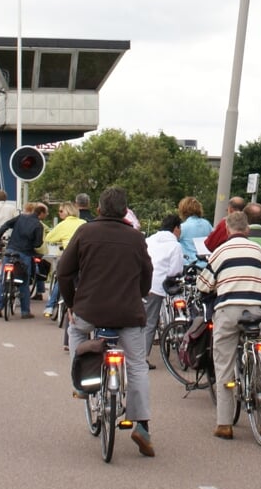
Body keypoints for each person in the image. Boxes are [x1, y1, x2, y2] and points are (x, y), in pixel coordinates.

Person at [57, 188, 157, 456]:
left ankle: (79, 383)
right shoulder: (136, 238)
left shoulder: (85, 233)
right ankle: (143, 424)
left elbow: (64, 272)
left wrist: (71, 304)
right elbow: (147, 275)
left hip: (89, 310)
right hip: (127, 313)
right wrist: (137, 295)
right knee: (137, 365)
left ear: (99, 209)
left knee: (76, 333)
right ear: (126, 211)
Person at [196, 210, 261, 440]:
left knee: (224, 363)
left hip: (228, 311)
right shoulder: (258, 249)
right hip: (257, 310)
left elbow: (204, 284)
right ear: (247, 230)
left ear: (227, 231)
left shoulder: (220, 251)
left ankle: (224, 424)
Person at [143, 215, 184, 369]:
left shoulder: (149, 240)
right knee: (150, 323)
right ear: (176, 228)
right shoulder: (175, 246)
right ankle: (142, 359)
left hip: (142, 284)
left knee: (141, 320)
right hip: (158, 286)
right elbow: (176, 270)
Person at [0, 201, 46, 319]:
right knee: (23, 281)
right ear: (41, 213)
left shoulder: (20, 218)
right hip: (25, 254)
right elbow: (38, 244)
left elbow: (5, 225)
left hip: (10, 251)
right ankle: (25, 311)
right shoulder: (38, 225)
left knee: (3, 279)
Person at [42, 201, 88, 315]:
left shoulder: (63, 224)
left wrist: (60, 240)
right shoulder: (83, 222)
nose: (59, 213)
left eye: (61, 211)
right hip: (83, 257)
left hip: (69, 256)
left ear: (68, 211)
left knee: (62, 278)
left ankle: (50, 306)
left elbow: (49, 238)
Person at [175, 197, 212, 265]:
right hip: (206, 265)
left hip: (189, 266)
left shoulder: (183, 227)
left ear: (183, 211)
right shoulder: (207, 224)